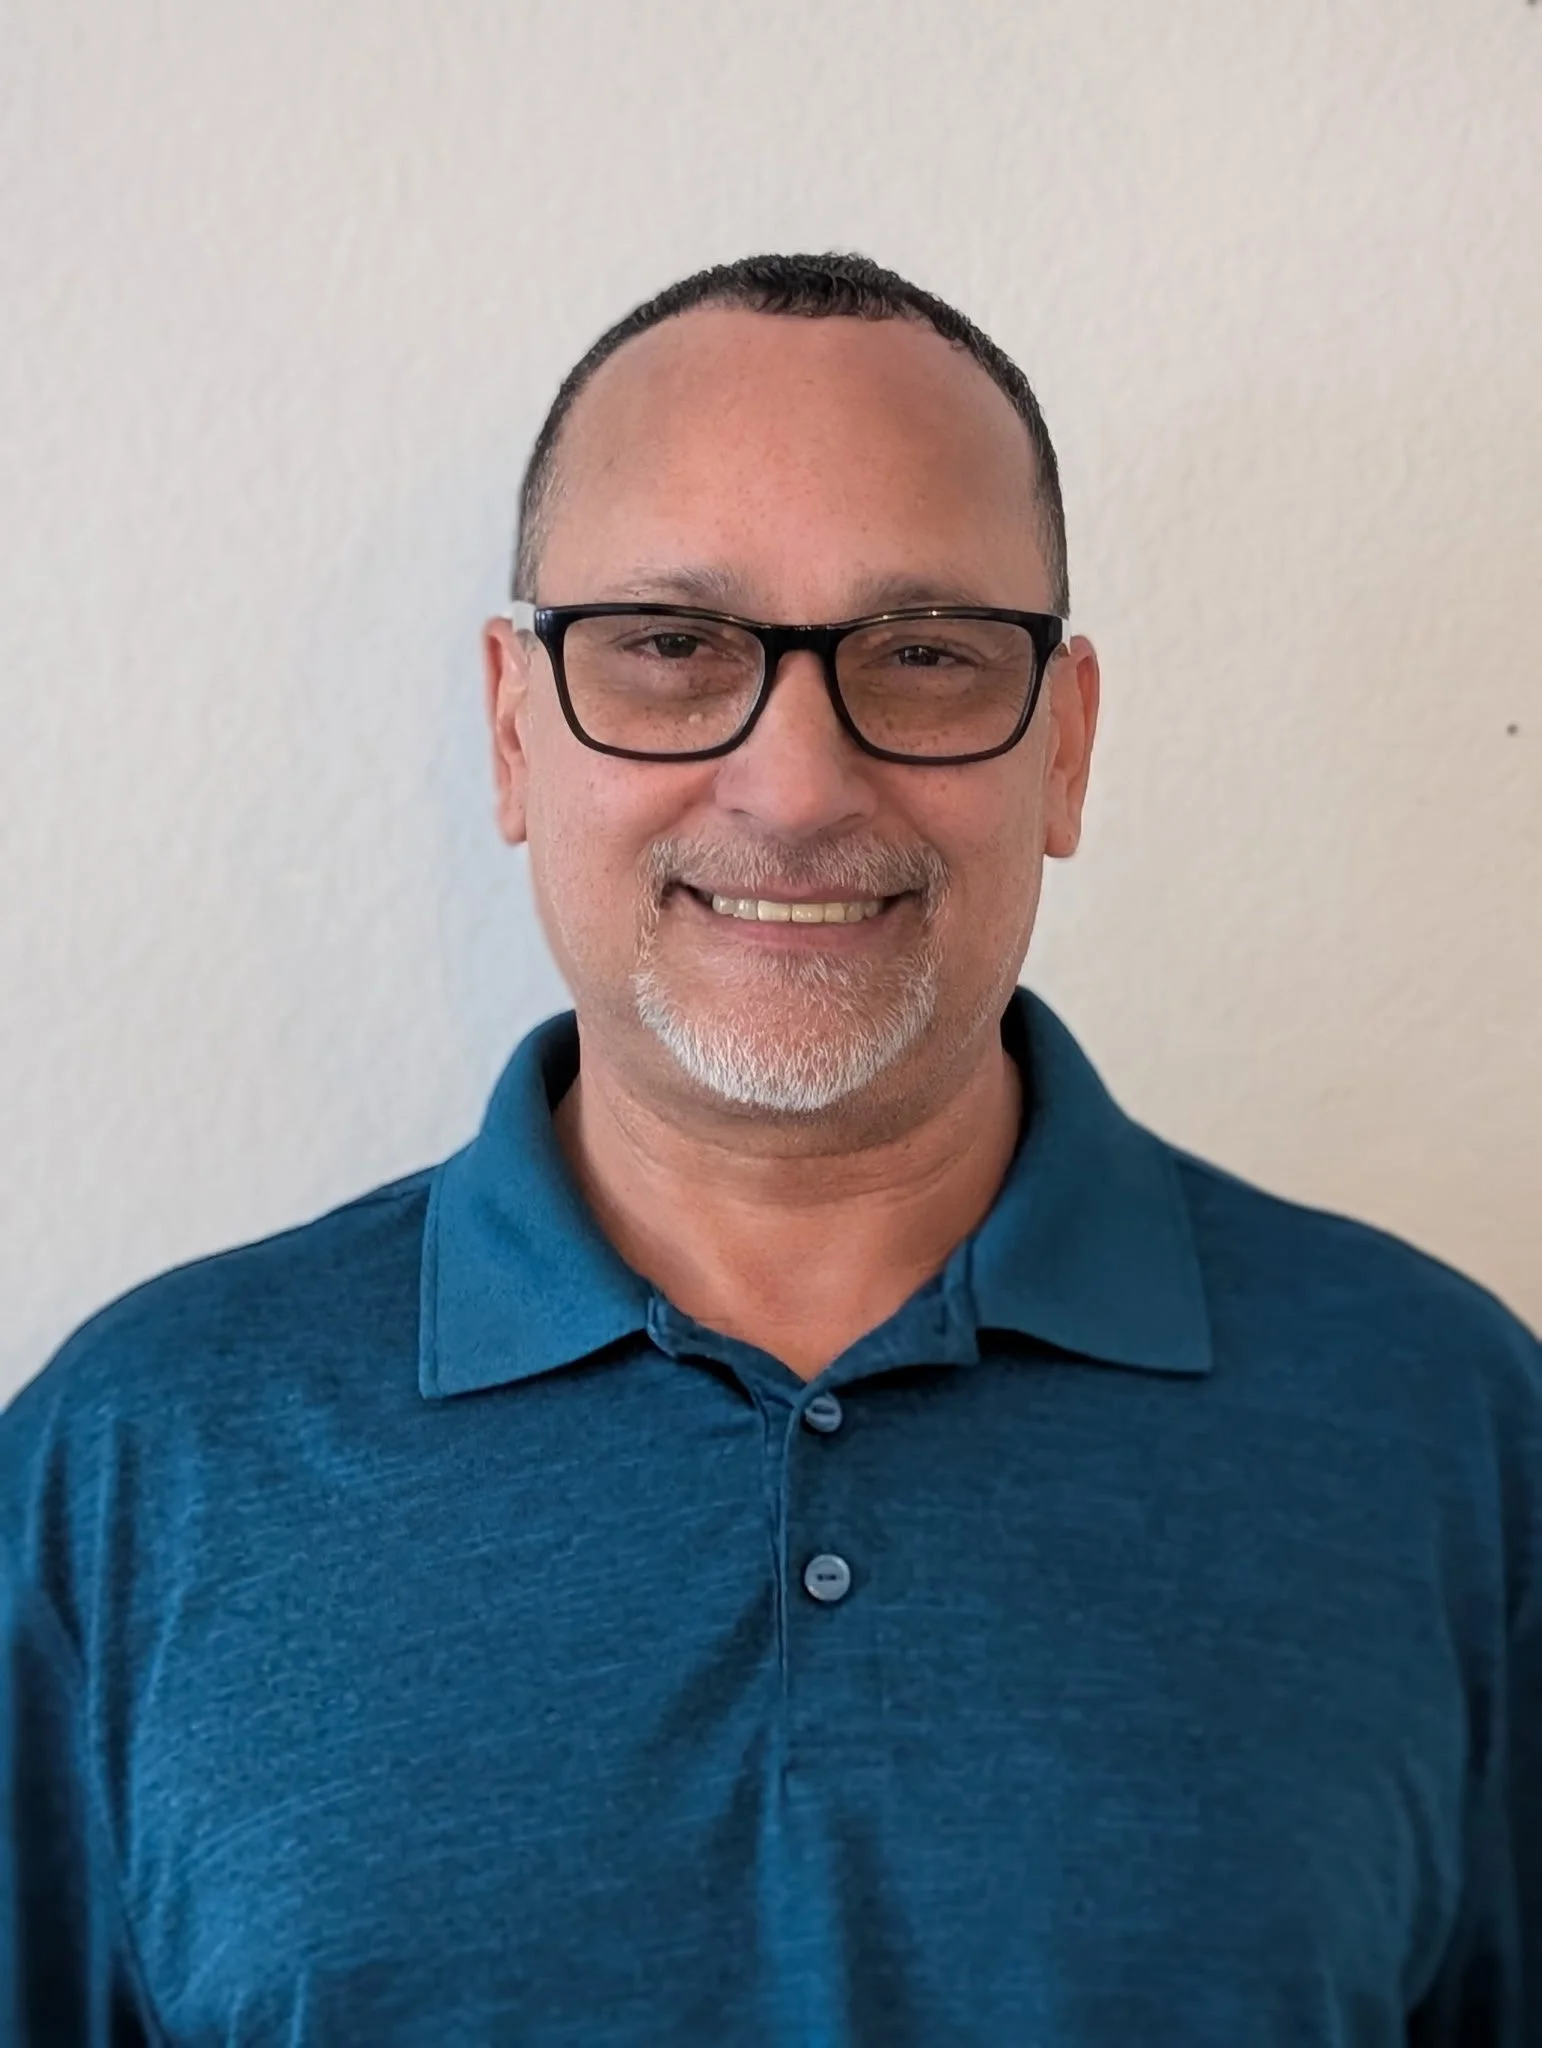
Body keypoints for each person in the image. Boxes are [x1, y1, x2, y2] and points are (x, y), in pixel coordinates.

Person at [2, 250, 1537, 2047]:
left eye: (927, 654)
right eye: (669, 648)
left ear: (1062, 747)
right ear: (514, 731)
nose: (795, 786)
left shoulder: (1442, 1430)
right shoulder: (130, 1469)